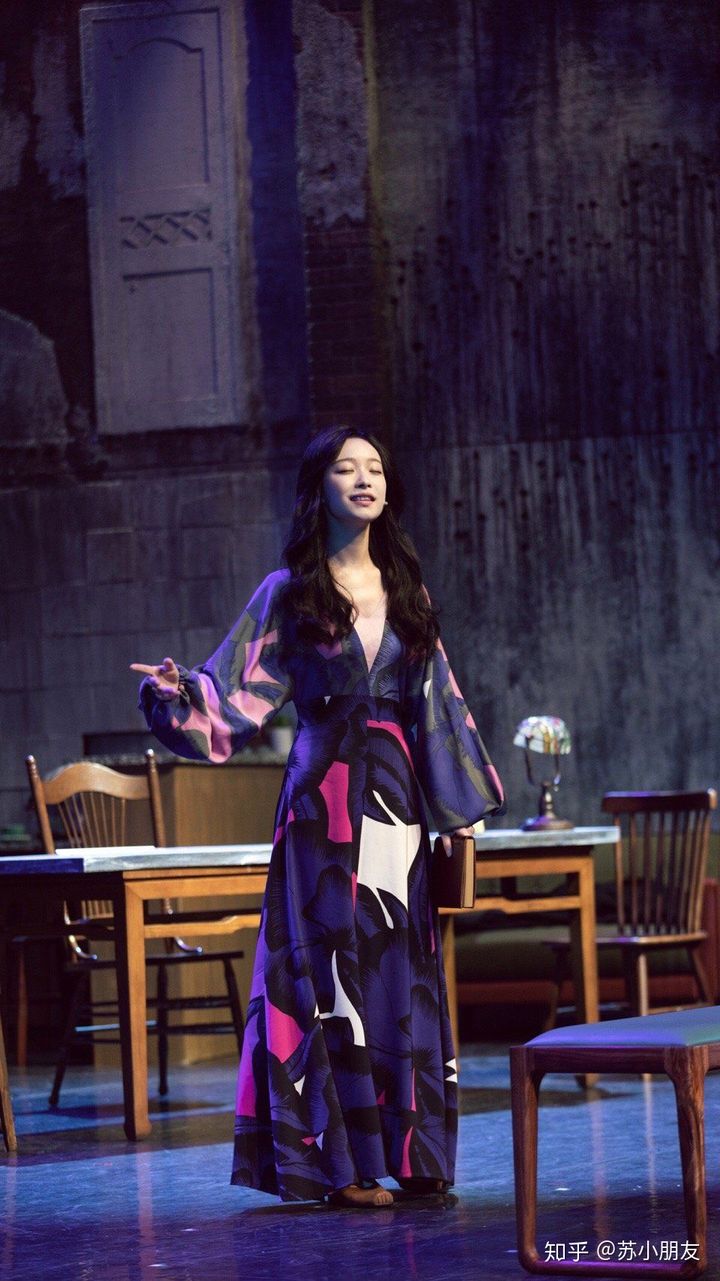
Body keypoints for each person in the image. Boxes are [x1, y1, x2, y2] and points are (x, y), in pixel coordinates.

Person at [132, 426, 504, 1208]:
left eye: (375, 468)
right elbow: (231, 690)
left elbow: (436, 701)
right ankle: (342, 1164)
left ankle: (408, 1152)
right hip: (320, 800)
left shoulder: (406, 589)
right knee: (327, 966)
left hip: (396, 801)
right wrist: (177, 693)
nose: (364, 478)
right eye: (345, 468)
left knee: (397, 964)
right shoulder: (289, 592)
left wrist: (458, 811)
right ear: (320, 488)